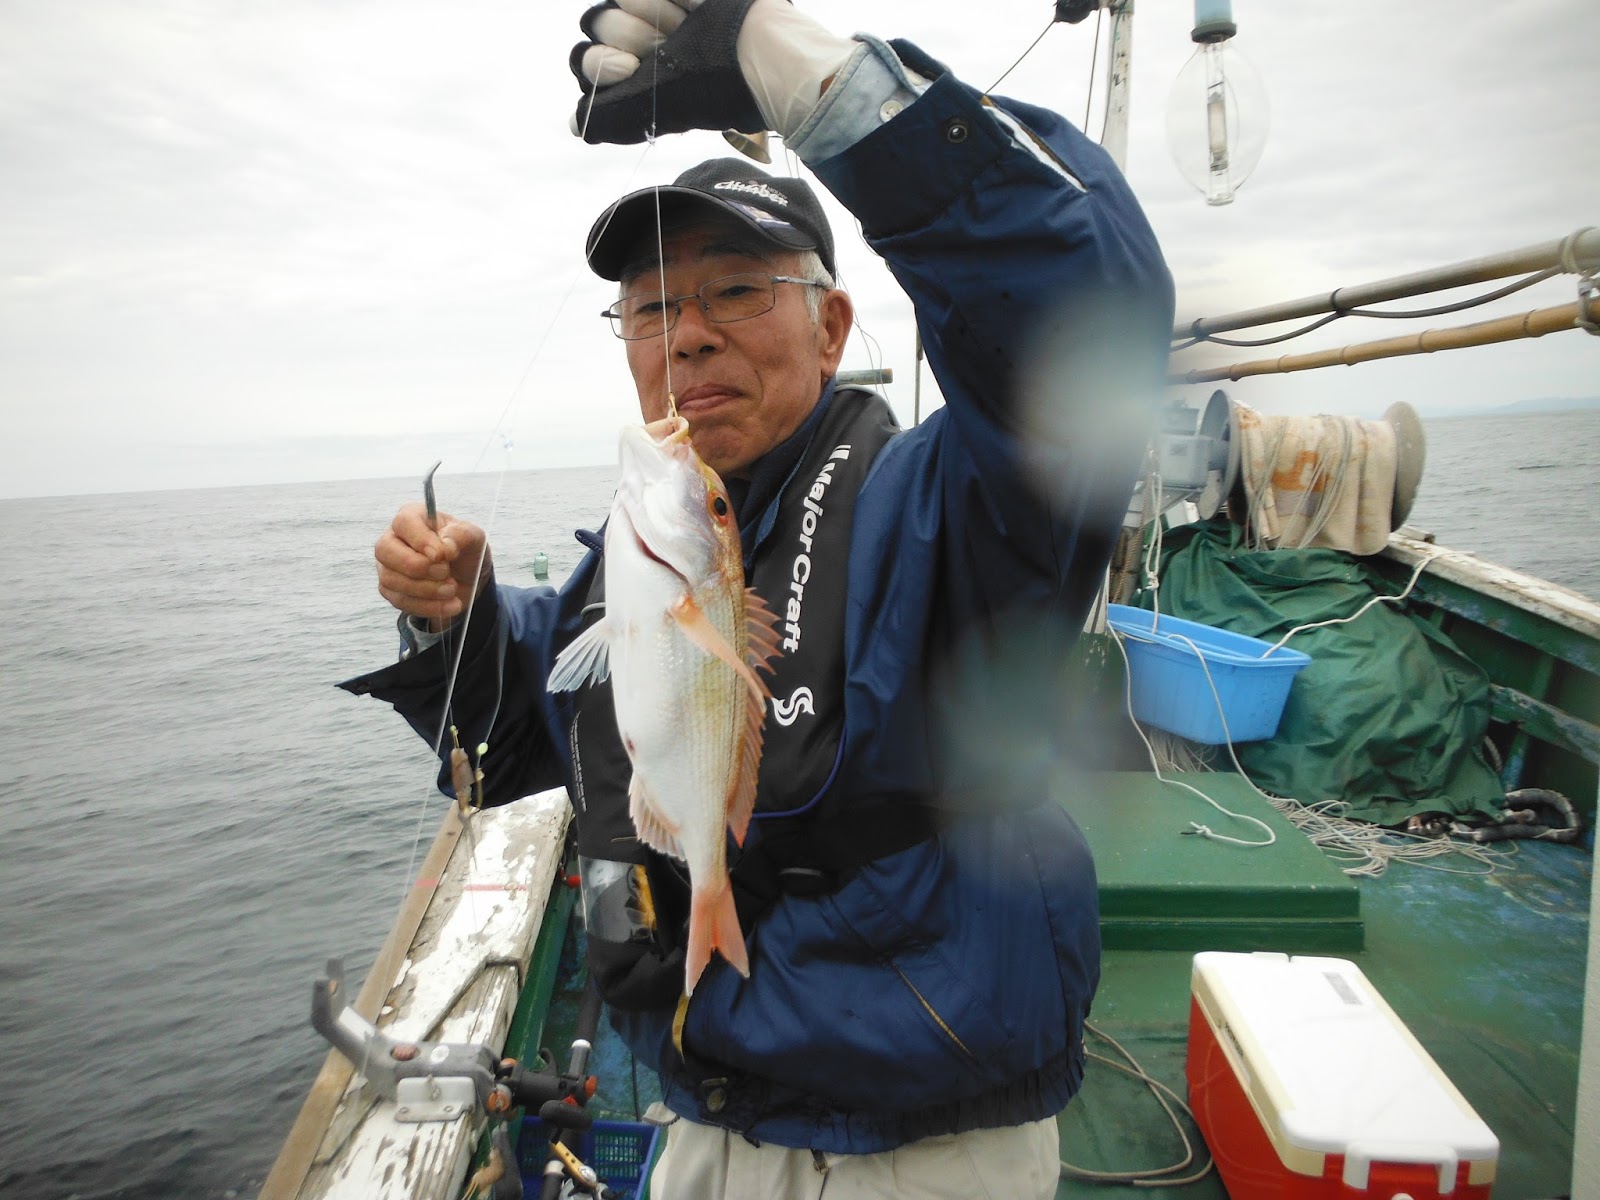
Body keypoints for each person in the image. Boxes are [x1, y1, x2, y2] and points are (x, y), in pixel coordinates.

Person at [344, 2, 1173, 1196]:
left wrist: (794, 68)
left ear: (829, 327)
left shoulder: (957, 506)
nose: (686, 339)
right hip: (705, 1108)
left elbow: (1079, 313)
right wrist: (456, 614)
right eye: (651, 310)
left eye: (735, 291)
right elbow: (531, 734)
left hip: (924, 1145)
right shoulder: (647, 545)